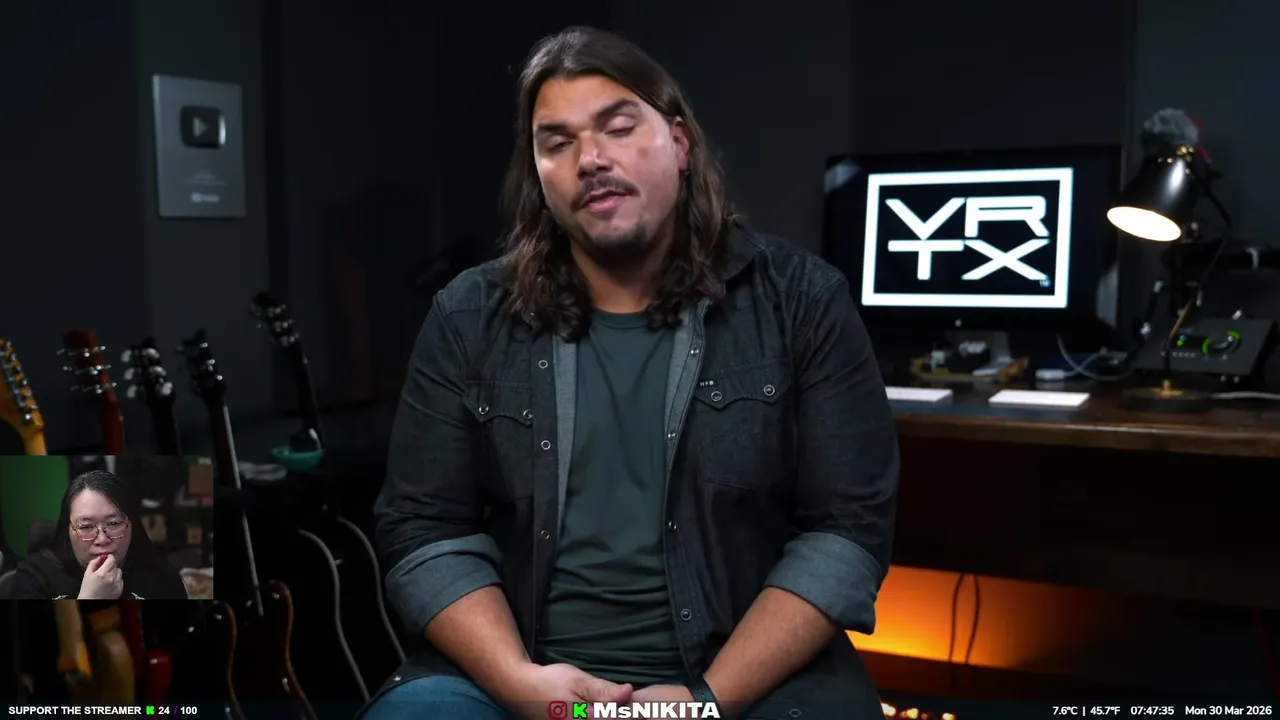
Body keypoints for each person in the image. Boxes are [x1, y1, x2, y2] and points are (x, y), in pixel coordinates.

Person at [367, 26, 898, 720]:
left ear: (680, 143)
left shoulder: (802, 301)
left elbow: (846, 531)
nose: (590, 159)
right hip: (521, 676)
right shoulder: (468, 315)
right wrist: (519, 682)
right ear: (538, 176)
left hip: (738, 680)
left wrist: (704, 702)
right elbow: (422, 527)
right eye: (557, 143)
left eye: (617, 128)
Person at [5, 470, 188, 600]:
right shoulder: (34, 577)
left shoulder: (162, 576)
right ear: (67, 530)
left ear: (132, 524)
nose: (102, 540)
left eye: (114, 524)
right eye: (86, 527)